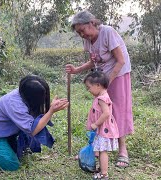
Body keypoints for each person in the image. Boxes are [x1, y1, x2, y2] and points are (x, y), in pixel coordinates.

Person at [66, 10, 133, 168]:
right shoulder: (88, 40)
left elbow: (121, 60)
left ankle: (123, 150)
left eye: (82, 30)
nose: (82, 35)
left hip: (118, 75)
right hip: (102, 79)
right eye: (79, 33)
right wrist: (76, 70)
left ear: (91, 23)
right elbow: (93, 62)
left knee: (117, 110)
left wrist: (107, 83)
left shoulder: (107, 32)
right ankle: (97, 149)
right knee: (99, 109)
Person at [0, 75, 69, 171]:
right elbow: (33, 130)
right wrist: (51, 111)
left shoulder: (22, 94)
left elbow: (34, 120)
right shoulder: (16, 105)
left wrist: (50, 108)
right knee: (12, 164)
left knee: (17, 153)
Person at [84, 71, 119, 180]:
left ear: (98, 85)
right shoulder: (102, 96)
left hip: (103, 129)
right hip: (102, 129)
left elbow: (106, 113)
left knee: (103, 151)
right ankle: (101, 169)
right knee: (100, 150)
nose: (88, 90)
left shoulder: (101, 99)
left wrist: (95, 124)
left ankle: (104, 174)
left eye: (89, 87)